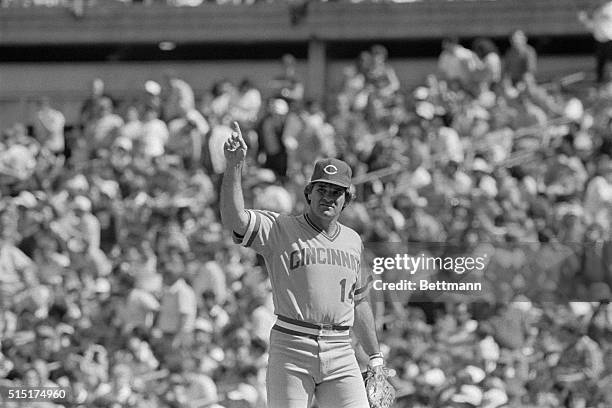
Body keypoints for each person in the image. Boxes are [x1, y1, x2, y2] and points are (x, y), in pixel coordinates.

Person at [220, 121, 387, 408]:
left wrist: (376, 359)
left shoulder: (353, 240)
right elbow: (235, 219)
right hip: (292, 344)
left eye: (336, 192)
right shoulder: (280, 228)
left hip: (340, 348)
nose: (328, 197)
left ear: (346, 199)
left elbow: (359, 302)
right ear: (309, 192)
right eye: (322, 189)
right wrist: (234, 166)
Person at [579, 1, 612, 84]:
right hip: (600, 41)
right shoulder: (597, 12)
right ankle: (600, 81)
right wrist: (584, 19)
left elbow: (607, 17)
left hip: (610, 39)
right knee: (600, 63)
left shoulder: (609, 6)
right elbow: (592, 26)